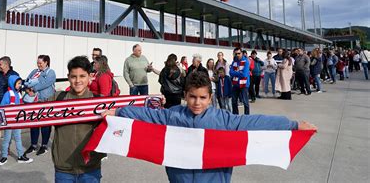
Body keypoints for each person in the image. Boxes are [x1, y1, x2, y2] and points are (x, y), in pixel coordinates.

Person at [103, 71, 317, 183]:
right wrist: (119, 112)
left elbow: (254, 122)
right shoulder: (173, 115)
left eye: (202, 98)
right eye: (193, 97)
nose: (197, 102)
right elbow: (148, 115)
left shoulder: (224, 120)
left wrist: (293, 125)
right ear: (185, 96)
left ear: (210, 98)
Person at [50, 56, 105, 182]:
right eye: (74, 76)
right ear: (68, 77)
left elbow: (124, 112)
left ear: (90, 76)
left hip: (90, 168)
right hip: (64, 168)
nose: (78, 80)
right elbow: (31, 113)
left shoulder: (100, 101)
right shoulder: (57, 99)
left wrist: (149, 102)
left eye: (82, 76)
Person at [0, 75, 33, 166]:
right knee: (7, 139)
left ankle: (20, 156)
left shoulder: (19, 94)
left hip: (17, 121)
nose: (19, 85)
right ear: (13, 83)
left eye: (20, 83)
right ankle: (4, 156)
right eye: (18, 83)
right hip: (9, 121)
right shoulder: (7, 94)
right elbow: (1, 106)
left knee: (18, 139)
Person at [24, 55, 56, 156]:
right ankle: (33, 145)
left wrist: (33, 88)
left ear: (46, 62)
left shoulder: (50, 72)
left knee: (45, 124)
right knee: (34, 123)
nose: (38, 65)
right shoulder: (34, 71)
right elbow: (26, 81)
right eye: (38, 63)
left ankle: (44, 145)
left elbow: (46, 83)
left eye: (40, 63)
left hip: (45, 100)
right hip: (33, 101)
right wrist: (28, 90)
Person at [230, 48, 250, 115]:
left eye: (239, 53)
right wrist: (239, 73)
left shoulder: (246, 61)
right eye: (236, 53)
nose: (237, 55)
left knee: (245, 102)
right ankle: (235, 116)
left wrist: (236, 72)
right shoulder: (234, 61)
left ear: (241, 53)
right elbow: (230, 73)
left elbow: (244, 75)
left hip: (244, 84)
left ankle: (246, 117)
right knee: (234, 102)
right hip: (236, 84)